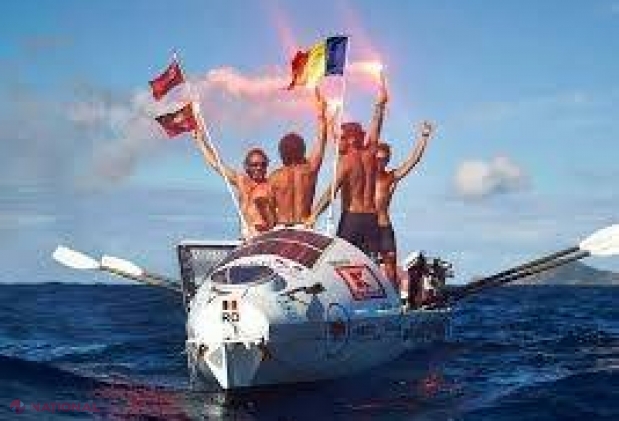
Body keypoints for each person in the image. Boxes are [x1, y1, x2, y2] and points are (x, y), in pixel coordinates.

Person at [306, 73, 389, 257]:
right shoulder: (371, 152)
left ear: (351, 139)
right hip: (372, 219)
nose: (339, 140)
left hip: (353, 219)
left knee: (342, 260)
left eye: (342, 137)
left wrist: (314, 215)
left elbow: (331, 192)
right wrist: (381, 103)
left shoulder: (346, 162)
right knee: (369, 261)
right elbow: (377, 122)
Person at [375, 121, 434, 286]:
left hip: (383, 225)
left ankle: (393, 296)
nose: (380, 162)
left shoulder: (390, 177)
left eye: (384, 159)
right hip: (366, 226)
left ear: (388, 160)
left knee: (390, 262)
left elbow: (413, 161)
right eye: (377, 158)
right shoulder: (362, 177)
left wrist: (424, 137)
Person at [192, 129, 275, 238]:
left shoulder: (271, 185)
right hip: (246, 237)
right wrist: (201, 141)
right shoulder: (241, 181)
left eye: (263, 164)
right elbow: (217, 164)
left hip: (266, 236)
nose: (259, 168)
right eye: (255, 165)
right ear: (247, 166)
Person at [269, 88, 328, 226]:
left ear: (282, 152)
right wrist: (321, 115)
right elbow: (321, 140)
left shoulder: (274, 177)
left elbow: (268, 209)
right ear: (302, 150)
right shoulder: (310, 170)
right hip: (304, 225)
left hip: (282, 226)